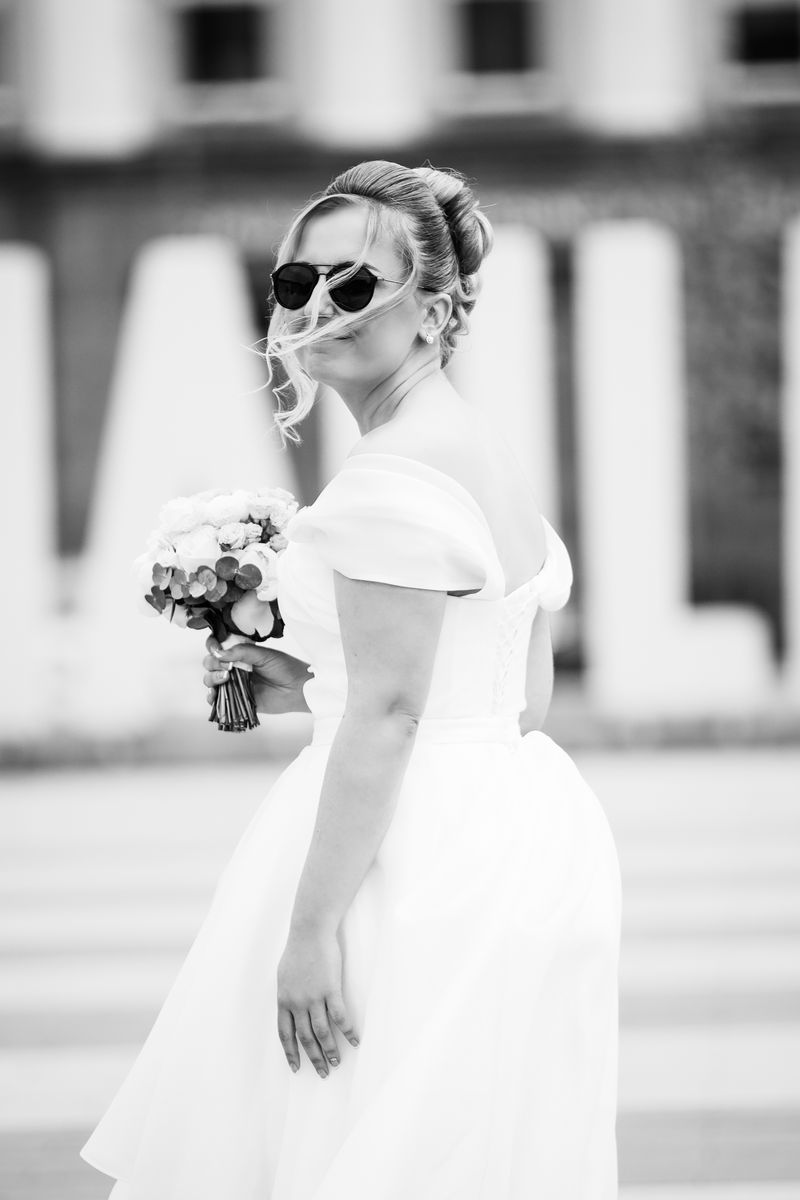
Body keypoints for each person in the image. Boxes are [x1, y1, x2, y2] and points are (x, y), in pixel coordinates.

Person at [80, 160, 622, 1198]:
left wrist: (309, 931)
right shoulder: (478, 451)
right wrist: (308, 684)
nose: (318, 304)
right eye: (296, 282)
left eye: (356, 282)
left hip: (407, 863)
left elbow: (389, 714)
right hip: (517, 836)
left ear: (435, 310)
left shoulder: (389, 477)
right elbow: (512, 697)